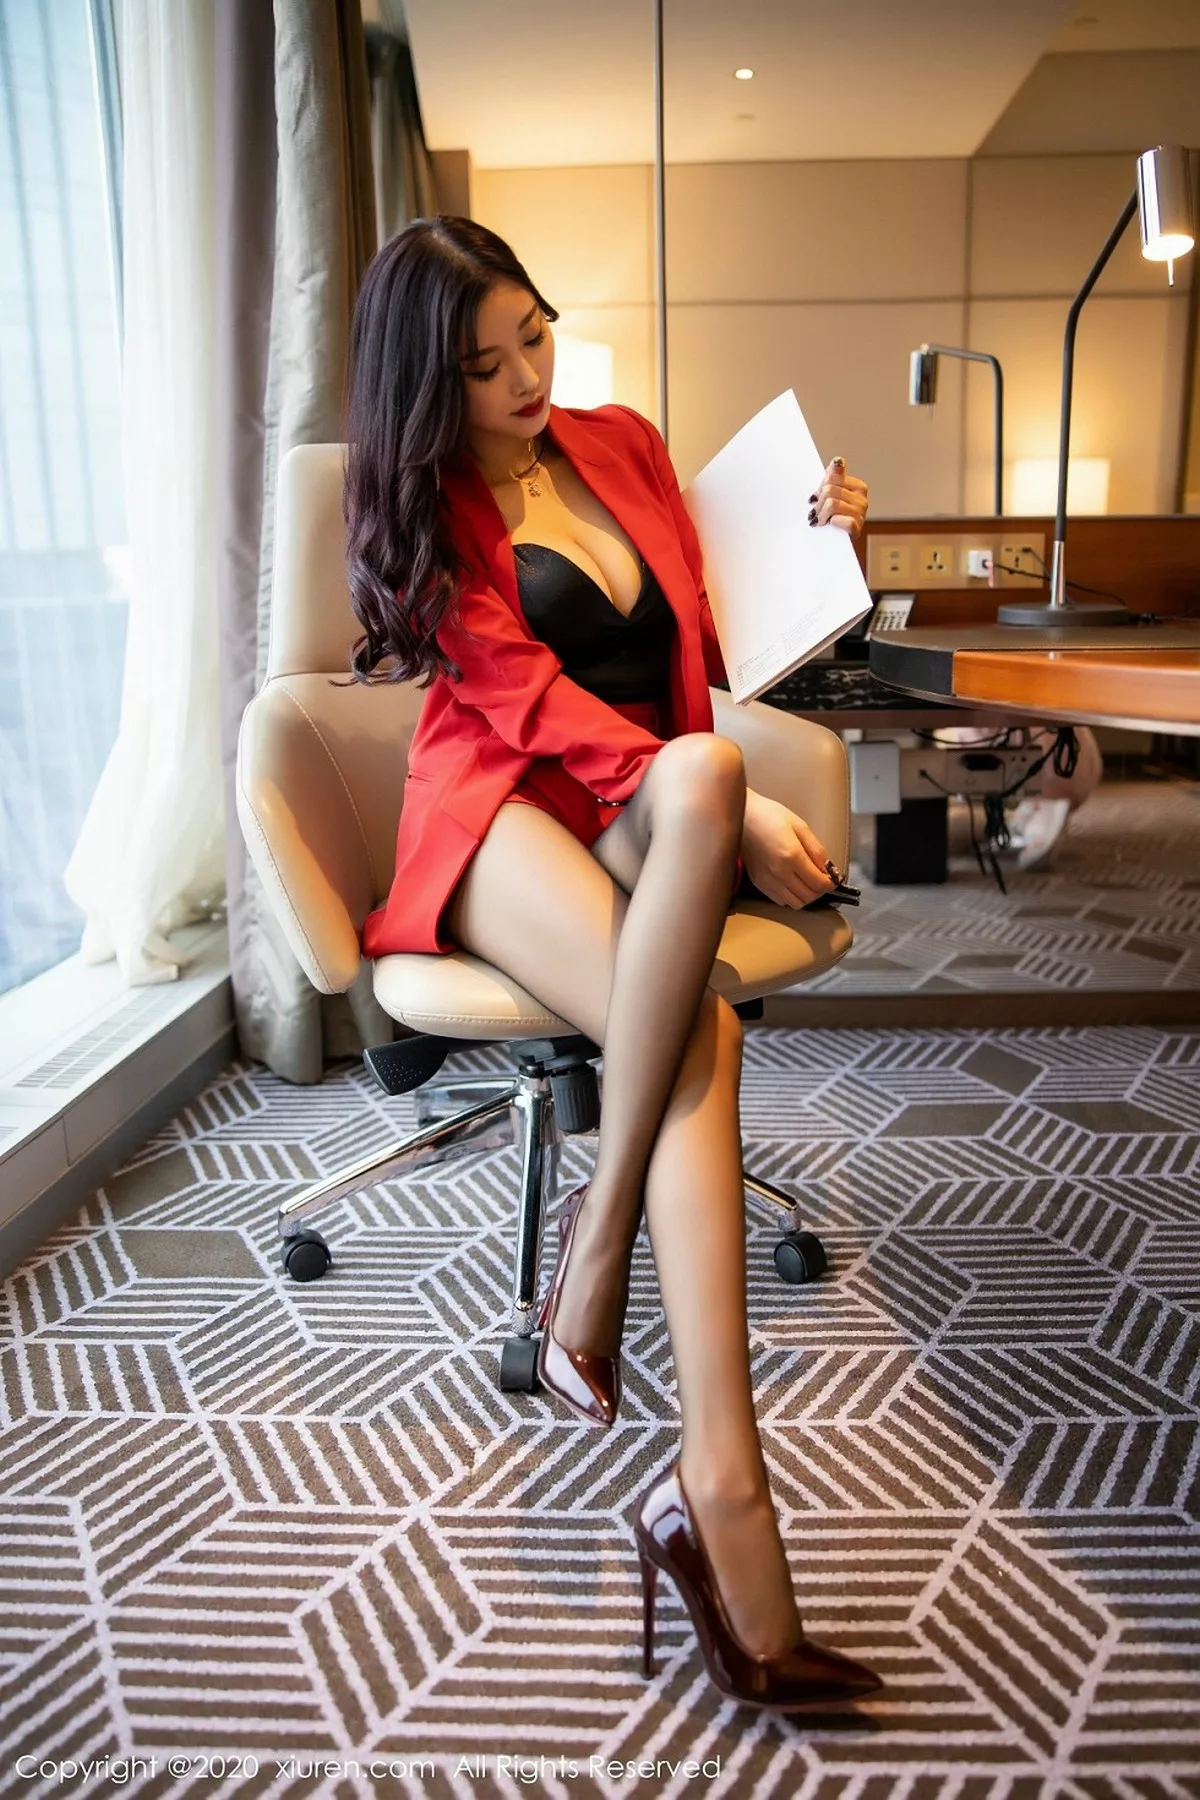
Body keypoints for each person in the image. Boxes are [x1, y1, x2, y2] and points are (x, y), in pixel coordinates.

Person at [344, 215, 880, 1712]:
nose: (527, 377)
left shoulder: (625, 443)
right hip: (503, 807)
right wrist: (723, 800)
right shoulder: (426, 508)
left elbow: (733, 627)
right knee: (705, 1019)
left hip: (650, 805)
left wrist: (833, 542)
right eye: (484, 364)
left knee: (703, 769)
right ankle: (724, 1497)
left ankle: (594, 1269)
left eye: (536, 334)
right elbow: (521, 700)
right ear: (426, 383)